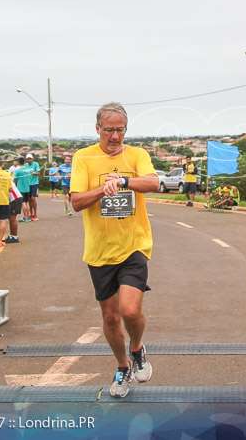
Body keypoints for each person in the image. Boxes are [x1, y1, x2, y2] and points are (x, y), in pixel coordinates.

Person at [69, 102, 159, 398]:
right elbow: (77, 201)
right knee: (110, 317)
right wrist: (101, 190)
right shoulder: (84, 158)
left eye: (121, 129)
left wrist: (123, 181)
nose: (115, 136)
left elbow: (154, 183)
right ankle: (122, 367)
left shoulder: (136, 155)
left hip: (134, 244)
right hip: (99, 250)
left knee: (130, 310)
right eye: (109, 130)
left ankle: (136, 348)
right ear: (98, 129)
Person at [22, 153, 41, 220]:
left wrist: (33, 173)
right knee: (29, 199)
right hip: (27, 184)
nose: (29, 160)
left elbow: (39, 173)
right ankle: (31, 214)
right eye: (28, 159)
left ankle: (35, 214)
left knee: (33, 198)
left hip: (34, 183)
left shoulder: (35, 164)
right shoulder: (25, 165)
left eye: (30, 159)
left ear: (32, 159)